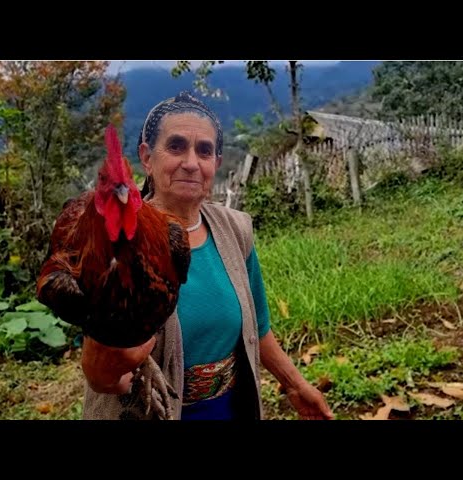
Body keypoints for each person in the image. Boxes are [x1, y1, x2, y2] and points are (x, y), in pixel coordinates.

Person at [81, 91, 333, 420]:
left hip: (225, 409)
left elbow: (257, 326)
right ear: (146, 156)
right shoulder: (119, 238)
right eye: (175, 146)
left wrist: (297, 384)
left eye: (204, 151)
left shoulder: (235, 230)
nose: (191, 162)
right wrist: (109, 363)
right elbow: (97, 373)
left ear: (216, 162)